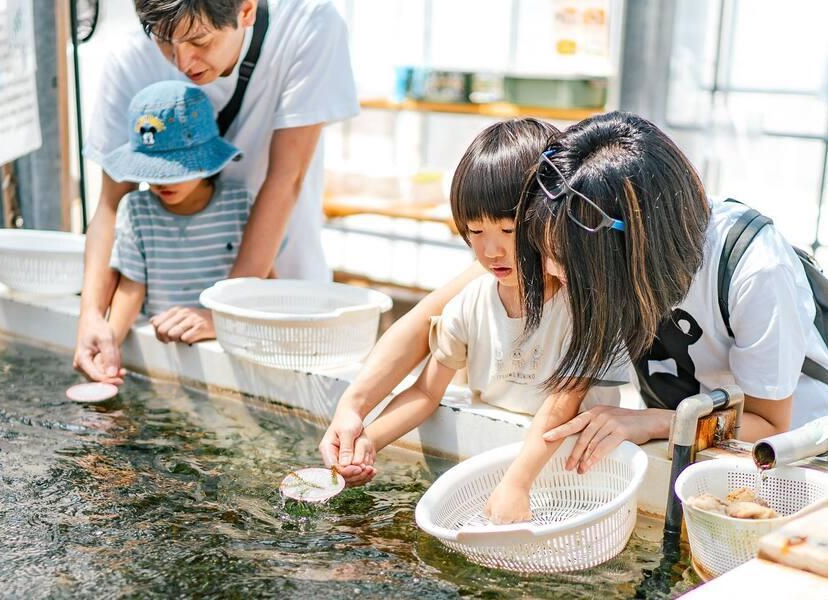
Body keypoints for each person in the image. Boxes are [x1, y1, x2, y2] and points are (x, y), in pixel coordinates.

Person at [321, 111, 828, 485]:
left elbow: (769, 423)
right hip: (682, 437)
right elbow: (432, 316)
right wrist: (354, 406)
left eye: (562, 256)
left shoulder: (754, 270)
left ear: (628, 246)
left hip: (790, 459)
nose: (552, 270)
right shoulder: (584, 214)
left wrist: (647, 419)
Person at [336, 119, 625, 523]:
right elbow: (425, 393)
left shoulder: (582, 308)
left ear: (547, 218)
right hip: (493, 461)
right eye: (475, 230)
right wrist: (368, 442)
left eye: (507, 229)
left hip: (571, 473)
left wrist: (517, 483)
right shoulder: (469, 304)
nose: (491, 250)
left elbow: (561, 406)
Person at [75, 0, 358, 384]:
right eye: (163, 41)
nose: (182, 60)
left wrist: (227, 310)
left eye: (199, 41)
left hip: (282, 297)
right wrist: (92, 314)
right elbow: (111, 203)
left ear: (245, 10)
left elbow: (285, 180)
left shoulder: (310, 25)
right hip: (168, 308)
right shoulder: (130, 57)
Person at [96, 80, 250, 362]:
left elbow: (262, 282)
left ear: (205, 158)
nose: (158, 183)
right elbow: (131, 287)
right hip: (161, 348)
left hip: (222, 346)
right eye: (151, 172)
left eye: (172, 171)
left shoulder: (240, 205)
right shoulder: (136, 209)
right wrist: (110, 345)